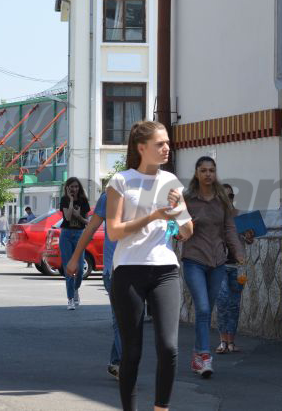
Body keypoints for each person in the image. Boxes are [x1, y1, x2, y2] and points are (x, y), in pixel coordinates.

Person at [106, 120, 193, 411]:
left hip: (165, 269)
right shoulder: (121, 181)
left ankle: (161, 408)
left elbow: (187, 231)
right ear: (141, 147)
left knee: (169, 347)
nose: (167, 147)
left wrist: (177, 210)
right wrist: (153, 216)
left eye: (167, 142)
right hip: (128, 270)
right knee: (132, 352)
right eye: (160, 143)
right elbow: (113, 232)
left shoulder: (171, 181)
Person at [181, 157, 244, 378]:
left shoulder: (221, 200)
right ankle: (205, 356)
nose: (208, 174)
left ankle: (198, 354)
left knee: (206, 310)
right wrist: (184, 228)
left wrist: (238, 251)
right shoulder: (187, 199)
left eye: (212, 170)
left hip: (218, 261)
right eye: (204, 170)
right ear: (196, 173)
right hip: (194, 260)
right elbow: (176, 227)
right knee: (203, 308)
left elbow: (229, 229)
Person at [66, 188, 122, 379]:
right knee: (121, 320)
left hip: (138, 269)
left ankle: (117, 361)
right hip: (113, 270)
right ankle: (125, 366)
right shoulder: (110, 197)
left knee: (130, 321)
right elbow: (90, 228)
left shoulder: (149, 196)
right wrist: (75, 258)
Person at [215, 183, 254, 354]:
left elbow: (249, 240)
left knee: (234, 304)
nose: (228, 199)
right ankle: (222, 341)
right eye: (224, 196)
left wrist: (249, 237)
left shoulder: (241, 216)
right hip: (220, 266)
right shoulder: (214, 218)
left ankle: (231, 342)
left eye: (231, 196)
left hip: (238, 266)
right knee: (222, 302)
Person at [60, 177, 90, 310]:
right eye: (71, 187)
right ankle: (70, 299)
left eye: (76, 186)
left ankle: (75, 289)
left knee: (79, 269)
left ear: (79, 188)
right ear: (67, 188)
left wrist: (78, 216)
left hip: (79, 235)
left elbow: (87, 222)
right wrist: (71, 200)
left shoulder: (83, 201)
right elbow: (67, 217)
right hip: (66, 235)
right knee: (69, 268)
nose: (74, 189)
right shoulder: (64, 200)